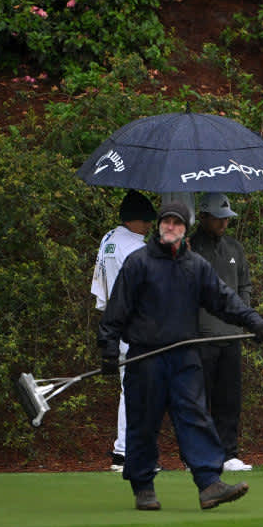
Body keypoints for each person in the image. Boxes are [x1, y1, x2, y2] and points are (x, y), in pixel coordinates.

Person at [98, 202, 263, 511]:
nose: (171, 227)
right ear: (159, 226)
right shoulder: (138, 263)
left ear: (184, 229)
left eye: (177, 223)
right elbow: (116, 310)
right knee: (143, 422)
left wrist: (254, 322)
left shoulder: (195, 266)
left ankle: (209, 483)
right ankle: (143, 487)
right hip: (146, 356)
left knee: (195, 417)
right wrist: (108, 349)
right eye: (166, 222)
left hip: (184, 356)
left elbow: (224, 300)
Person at [90, 189, 156, 472]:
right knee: (136, 389)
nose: (150, 226)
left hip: (114, 322)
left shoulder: (108, 239)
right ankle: (127, 453)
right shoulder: (136, 248)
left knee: (129, 387)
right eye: (147, 221)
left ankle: (125, 451)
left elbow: (100, 292)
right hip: (135, 325)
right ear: (134, 220)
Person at [190, 192, 253, 472]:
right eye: (218, 219)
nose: (224, 224)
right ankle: (197, 457)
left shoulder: (234, 248)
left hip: (231, 335)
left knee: (229, 399)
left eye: (226, 219)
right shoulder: (189, 247)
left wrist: (245, 316)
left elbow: (244, 285)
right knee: (198, 400)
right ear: (203, 216)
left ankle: (228, 453)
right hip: (200, 336)